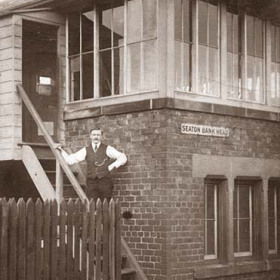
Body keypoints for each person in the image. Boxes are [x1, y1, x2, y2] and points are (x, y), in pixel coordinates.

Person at [56, 127, 127, 202]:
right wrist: (61, 151)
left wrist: (111, 166)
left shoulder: (107, 149)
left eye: (98, 135)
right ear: (90, 136)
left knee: (105, 205)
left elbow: (123, 157)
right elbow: (70, 160)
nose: (96, 137)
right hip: (91, 183)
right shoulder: (85, 150)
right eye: (94, 135)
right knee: (92, 205)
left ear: (101, 136)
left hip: (105, 183)